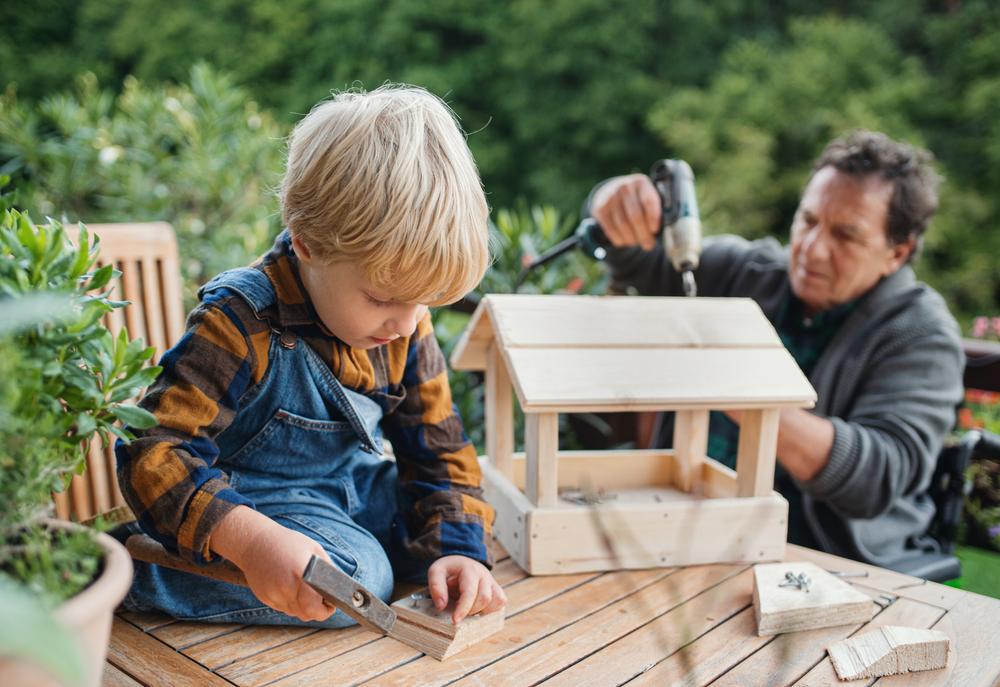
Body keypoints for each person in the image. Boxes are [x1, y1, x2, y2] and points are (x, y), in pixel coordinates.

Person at [115, 85, 506, 627]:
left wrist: (458, 551)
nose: (407, 321)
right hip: (252, 502)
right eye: (382, 298)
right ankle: (122, 567)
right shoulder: (240, 319)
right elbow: (156, 450)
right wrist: (248, 540)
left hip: (348, 489)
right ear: (307, 244)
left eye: (424, 301)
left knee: (460, 526)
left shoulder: (405, 324)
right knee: (358, 584)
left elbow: (439, 450)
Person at [585, 130, 964, 570]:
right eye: (808, 220)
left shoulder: (920, 335)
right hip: (680, 535)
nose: (813, 248)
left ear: (897, 253)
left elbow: (876, 477)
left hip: (824, 564)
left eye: (846, 235)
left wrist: (742, 394)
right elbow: (631, 259)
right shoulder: (740, 272)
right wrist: (612, 201)